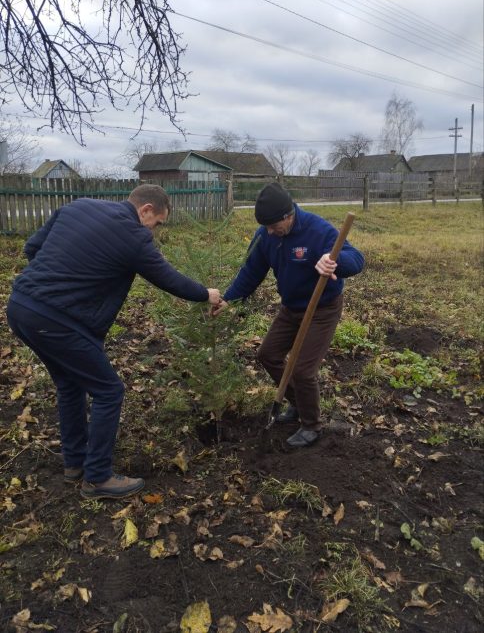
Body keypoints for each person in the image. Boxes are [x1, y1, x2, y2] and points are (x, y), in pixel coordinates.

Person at [6, 185, 221, 498]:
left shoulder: (79, 205)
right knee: (109, 390)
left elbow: (32, 247)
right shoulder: (133, 235)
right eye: (157, 223)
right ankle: (97, 478)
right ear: (146, 210)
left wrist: (60, 279)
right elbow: (167, 278)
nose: (155, 231)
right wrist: (206, 294)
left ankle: (75, 464)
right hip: (57, 321)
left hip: (21, 307)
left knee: (70, 385)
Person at [212, 182, 364, 448]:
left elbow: (357, 258)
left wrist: (334, 260)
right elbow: (251, 272)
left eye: (273, 226)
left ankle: (312, 425)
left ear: (288, 215)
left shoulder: (318, 230)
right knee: (267, 355)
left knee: (304, 369)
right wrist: (230, 300)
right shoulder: (266, 235)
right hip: (291, 308)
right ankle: (297, 403)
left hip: (322, 309)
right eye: (266, 227)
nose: (270, 232)